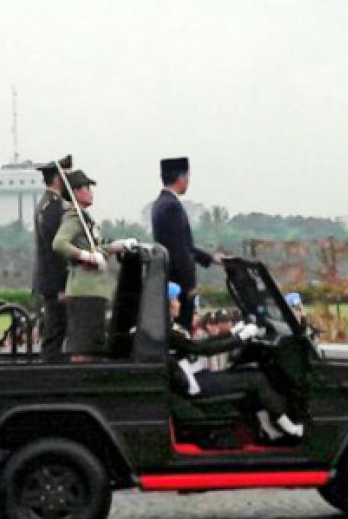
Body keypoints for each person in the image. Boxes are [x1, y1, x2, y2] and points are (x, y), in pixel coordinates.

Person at [167, 282, 304, 439]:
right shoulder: (169, 332)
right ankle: (290, 428)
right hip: (194, 383)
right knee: (257, 378)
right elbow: (203, 350)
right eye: (175, 299)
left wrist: (232, 332)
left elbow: (202, 344)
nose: (179, 303)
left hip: (195, 377)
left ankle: (269, 430)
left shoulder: (169, 328)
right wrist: (240, 337)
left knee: (250, 373)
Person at [52, 169, 138, 358]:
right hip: (84, 290)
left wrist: (117, 246)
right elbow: (59, 243)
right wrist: (86, 256)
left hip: (93, 290)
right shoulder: (74, 217)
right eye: (86, 188)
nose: (90, 192)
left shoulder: (86, 219)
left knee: (92, 346)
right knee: (82, 347)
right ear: (75, 192)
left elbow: (98, 249)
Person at [151, 157, 220, 329]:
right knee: (183, 329)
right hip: (178, 280)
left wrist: (210, 258)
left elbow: (184, 245)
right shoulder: (172, 206)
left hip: (169, 276)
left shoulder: (160, 204)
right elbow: (180, 250)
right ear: (181, 178)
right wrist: (189, 285)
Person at [34, 155, 73, 361]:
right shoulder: (54, 208)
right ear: (59, 178)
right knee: (55, 333)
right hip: (55, 283)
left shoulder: (46, 204)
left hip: (51, 282)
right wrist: (63, 286)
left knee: (56, 331)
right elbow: (56, 250)